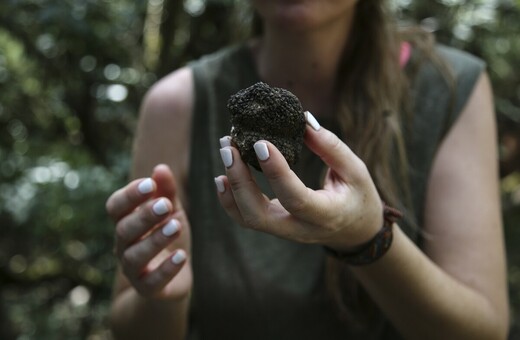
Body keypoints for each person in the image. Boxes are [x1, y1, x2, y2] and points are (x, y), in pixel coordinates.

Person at [105, 0, 509, 339]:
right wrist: (163, 297)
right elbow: (132, 323)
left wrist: (368, 239)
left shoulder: (451, 86)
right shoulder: (175, 106)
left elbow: (484, 331)